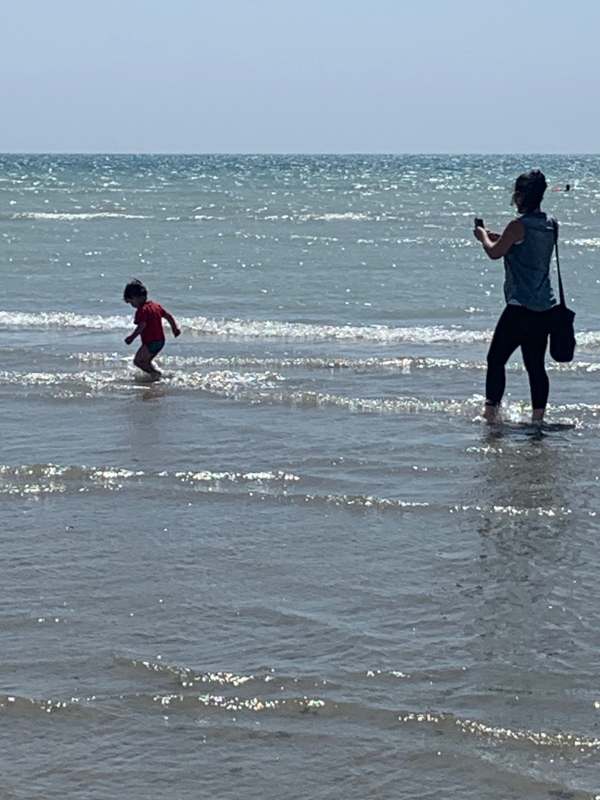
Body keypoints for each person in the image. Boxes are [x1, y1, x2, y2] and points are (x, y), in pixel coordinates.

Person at [474, 170, 557, 426]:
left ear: (520, 196)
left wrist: (483, 236)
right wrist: (504, 237)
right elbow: (526, 246)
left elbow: (494, 253)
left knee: (495, 359)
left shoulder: (516, 226)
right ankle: (538, 419)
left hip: (519, 306)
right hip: (544, 306)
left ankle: (491, 415)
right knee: (535, 365)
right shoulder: (551, 223)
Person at [123, 279, 180, 378]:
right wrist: (175, 329)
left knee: (138, 361)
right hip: (160, 341)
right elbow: (168, 316)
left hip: (151, 342)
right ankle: (153, 377)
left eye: (131, 302)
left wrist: (131, 337)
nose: (132, 305)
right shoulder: (156, 306)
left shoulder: (142, 311)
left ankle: (156, 374)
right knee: (146, 361)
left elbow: (142, 326)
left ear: (138, 298)